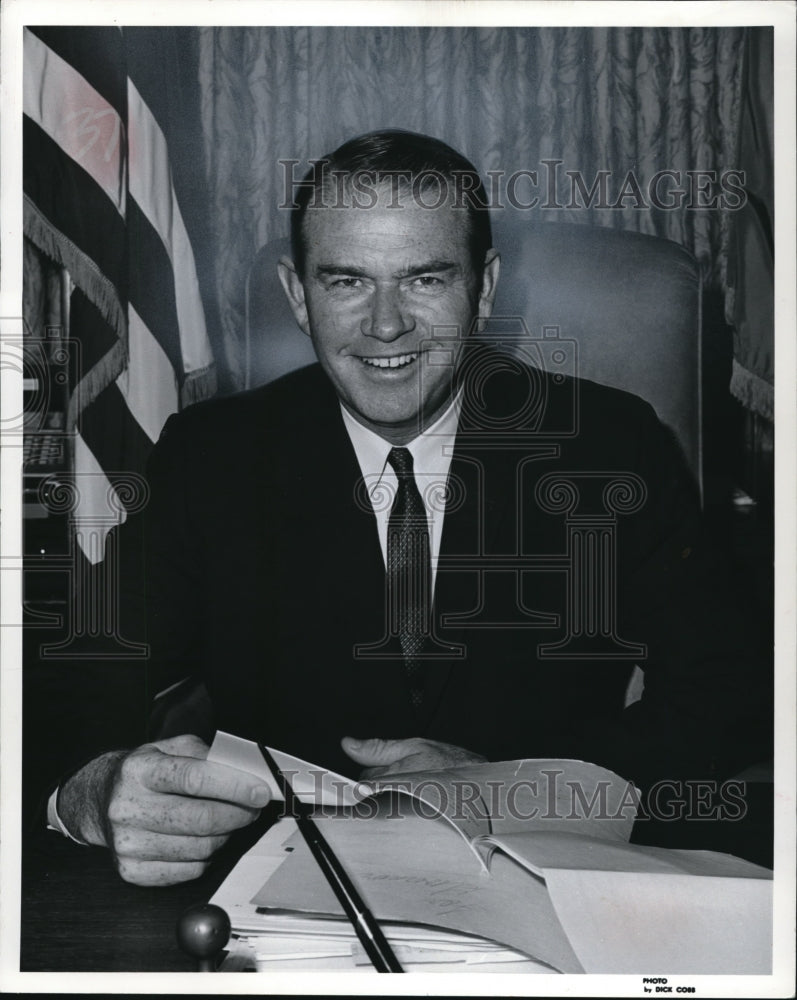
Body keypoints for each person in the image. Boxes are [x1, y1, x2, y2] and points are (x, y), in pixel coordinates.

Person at [49, 129, 769, 886]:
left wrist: (515, 789)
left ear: (483, 288)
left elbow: (727, 691)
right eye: (346, 282)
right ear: (298, 295)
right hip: (284, 889)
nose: (385, 324)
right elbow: (86, 670)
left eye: (424, 279)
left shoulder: (609, 444)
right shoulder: (212, 453)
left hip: (546, 874)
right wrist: (94, 791)